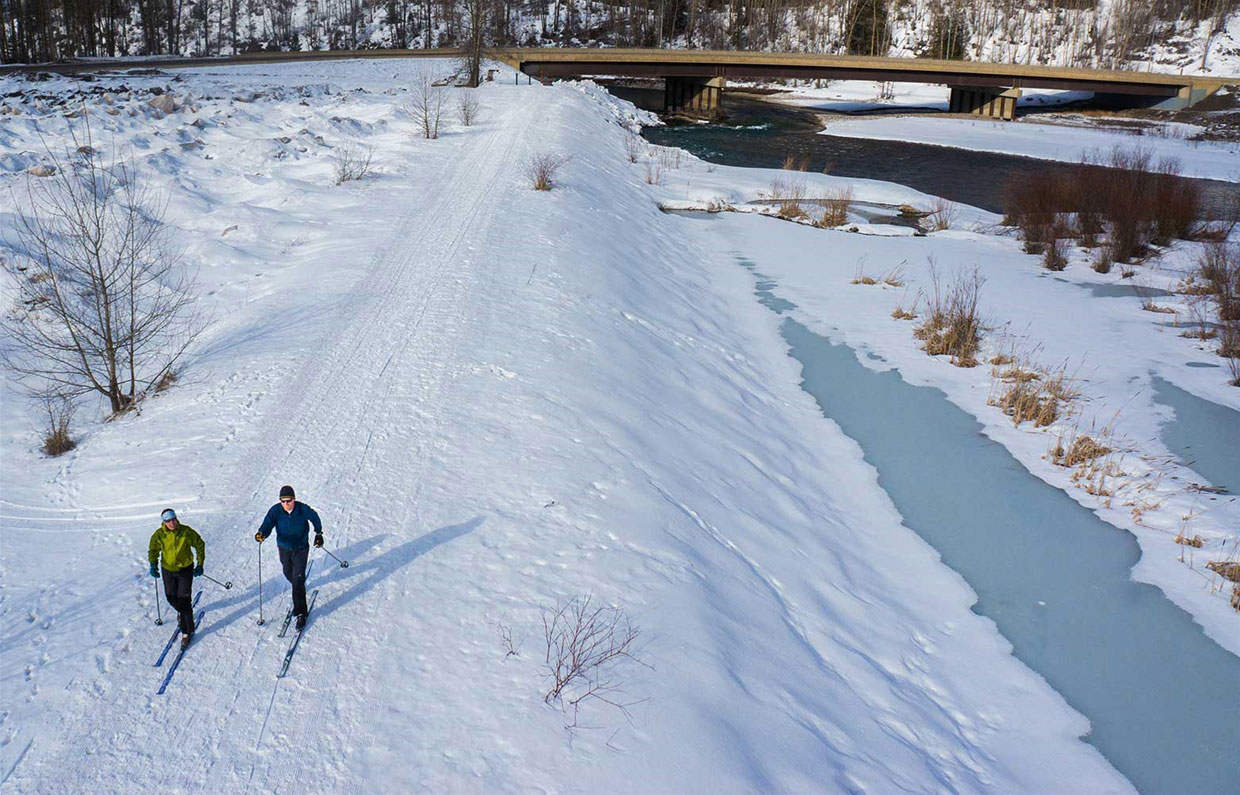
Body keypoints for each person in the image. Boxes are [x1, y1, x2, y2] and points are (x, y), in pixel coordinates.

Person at [255, 485, 323, 630]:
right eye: (283, 501)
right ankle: (298, 587)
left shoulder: (302, 509)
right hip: (284, 547)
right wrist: (262, 533)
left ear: (294, 499)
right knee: (288, 572)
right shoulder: (276, 511)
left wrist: (319, 533)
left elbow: (315, 517)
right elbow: (268, 523)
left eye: (289, 500)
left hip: (300, 548)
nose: (286, 504)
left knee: (297, 580)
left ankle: (300, 613)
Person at [148, 508, 205, 649]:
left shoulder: (185, 532)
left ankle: (187, 631)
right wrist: (153, 565)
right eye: (168, 521)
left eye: (173, 519)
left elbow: (200, 544)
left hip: (185, 569)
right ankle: (181, 611)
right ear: (164, 522)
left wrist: (200, 564)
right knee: (171, 597)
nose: (172, 523)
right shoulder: (159, 535)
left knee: (184, 600)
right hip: (168, 569)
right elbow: (153, 550)